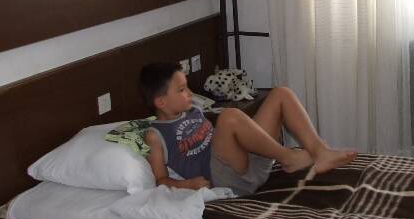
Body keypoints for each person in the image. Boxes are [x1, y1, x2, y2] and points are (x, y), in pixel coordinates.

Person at [138, 62, 356, 195]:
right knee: (229, 116)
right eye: (181, 90)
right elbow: (161, 181)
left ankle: (320, 152)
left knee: (281, 93)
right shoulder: (155, 136)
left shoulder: (194, 109)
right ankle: (288, 158)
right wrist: (189, 185)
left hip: (247, 162)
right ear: (161, 102)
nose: (189, 93)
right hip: (225, 177)